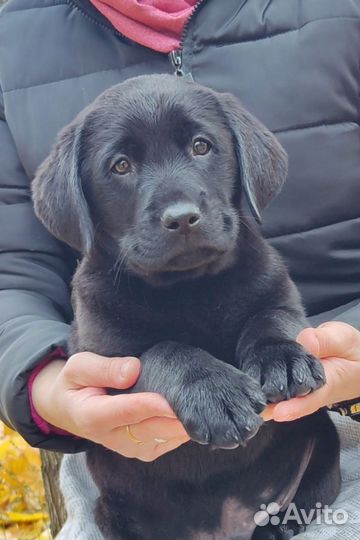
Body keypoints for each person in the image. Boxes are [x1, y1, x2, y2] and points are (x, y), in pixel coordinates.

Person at [0, 0, 359, 537]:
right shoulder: (12, 37)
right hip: (145, 510)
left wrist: (290, 344)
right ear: (82, 202)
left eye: (199, 146)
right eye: (120, 166)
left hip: (307, 475)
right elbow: (13, 275)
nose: (178, 207)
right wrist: (48, 390)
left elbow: (276, 313)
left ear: (241, 161)